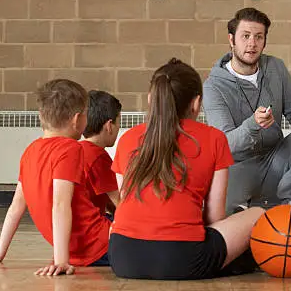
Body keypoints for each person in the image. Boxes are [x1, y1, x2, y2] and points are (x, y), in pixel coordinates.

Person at [109, 58, 264, 280]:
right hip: (182, 260)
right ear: (196, 102)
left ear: (152, 99)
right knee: (257, 214)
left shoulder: (128, 138)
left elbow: (124, 200)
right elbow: (214, 217)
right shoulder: (214, 139)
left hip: (123, 258)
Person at [0, 79, 111, 275]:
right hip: (99, 247)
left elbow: (16, 207)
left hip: (79, 249)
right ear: (77, 120)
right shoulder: (70, 149)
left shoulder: (30, 151)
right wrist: (61, 261)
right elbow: (60, 204)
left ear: (41, 116)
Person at [203, 7, 291, 214]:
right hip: (238, 165)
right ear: (232, 40)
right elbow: (225, 144)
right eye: (246, 36)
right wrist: (253, 125)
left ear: (265, 41)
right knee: (221, 217)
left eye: (259, 37)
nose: (252, 43)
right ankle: (250, 206)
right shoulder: (213, 86)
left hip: (275, 156)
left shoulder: (276, 67)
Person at [80, 90, 122, 217]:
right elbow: (119, 203)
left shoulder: (78, 149)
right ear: (109, 125)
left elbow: (107, 198)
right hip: (91, 227)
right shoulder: (98, 157)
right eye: (119, 122)